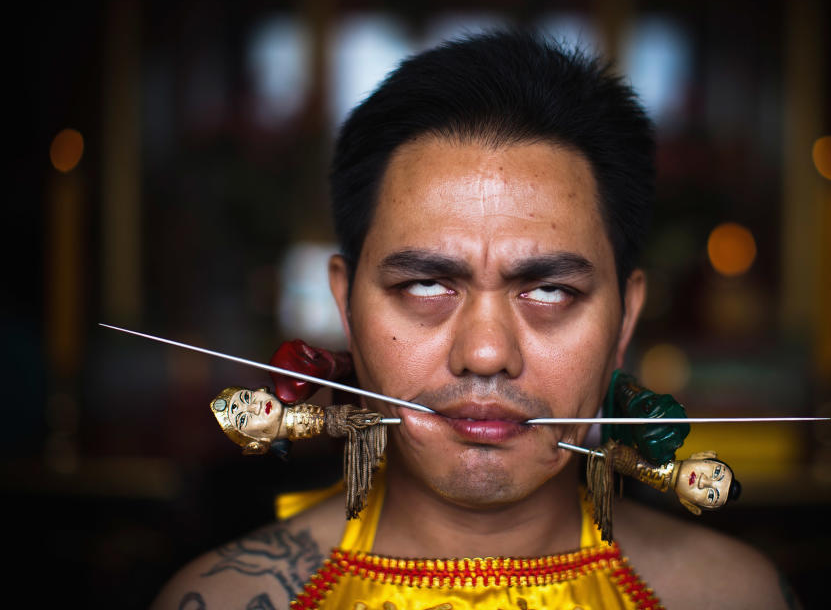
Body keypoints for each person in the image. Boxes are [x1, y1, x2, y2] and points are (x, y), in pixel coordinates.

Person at [153, 30, 792, 609]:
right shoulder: (231, 599)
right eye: (427, 283)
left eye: (549, 291)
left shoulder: (731, 597)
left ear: (625, 319)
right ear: (346, 306)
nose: (486, 353)